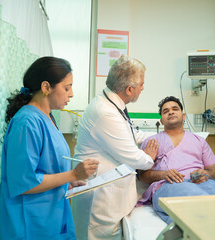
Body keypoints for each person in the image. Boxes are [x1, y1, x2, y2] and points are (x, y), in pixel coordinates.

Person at [0, 57, 99, 240]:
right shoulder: (27, 122)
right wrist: (72, 175)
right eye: (67, 87)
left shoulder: (48, 118)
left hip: (47, 216)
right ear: (46, 87)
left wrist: (68, 183)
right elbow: (24, 181)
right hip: (27, 222)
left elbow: (45, 169)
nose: (71, 94)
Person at [71, 55, 158, 240]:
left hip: (113, 195)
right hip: (100, 199)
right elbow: (133, 157)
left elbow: (133, 135)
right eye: (141, 84)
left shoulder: (112, 105)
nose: (143, 88)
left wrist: (164, 136)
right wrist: (149, 157)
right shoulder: (105, 112)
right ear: (129, 89)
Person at [138, 96, 215, 224]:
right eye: (166, 111)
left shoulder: (199, 141)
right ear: (161, 121)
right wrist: (164, 174)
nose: (170, 112)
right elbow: (142, 176)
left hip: (201, 182)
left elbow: (213, 170)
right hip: (168, 184)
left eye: (174, 109)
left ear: (183, 116)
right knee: (196, 197)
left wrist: (206, 174)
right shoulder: (152, 142)